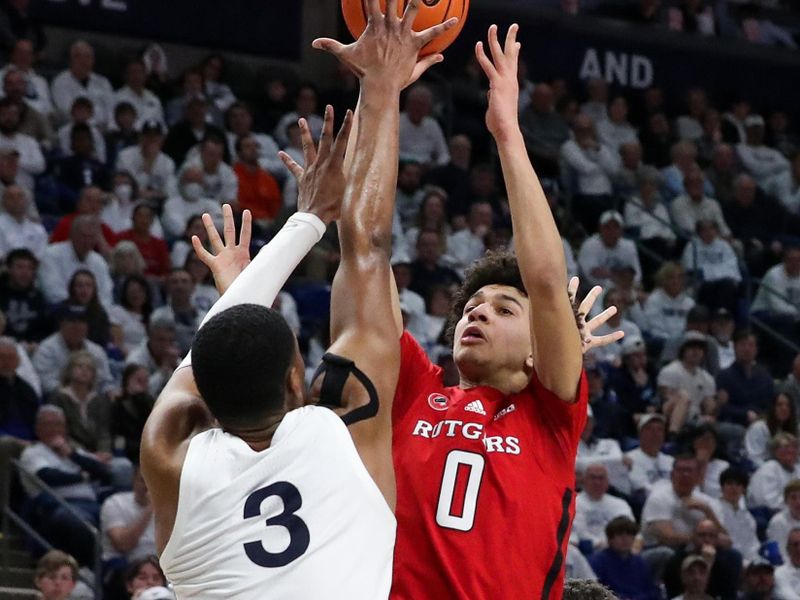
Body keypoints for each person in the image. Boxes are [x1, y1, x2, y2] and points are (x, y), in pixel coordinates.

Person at [140, 17, 437, 589]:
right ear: (296, 382)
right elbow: (369, 248)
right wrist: (381, 87)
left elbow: (203, 358)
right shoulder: (343, 436)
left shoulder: (169, 455)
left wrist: (300, 227)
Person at [19, 405, 111, 564]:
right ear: (38, 428)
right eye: (48, 424)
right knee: (79, 523)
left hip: (92, 504)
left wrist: (72, 454)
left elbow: (104, 472)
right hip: (57, 505)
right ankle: (86, 569)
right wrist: (83, 477)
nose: (54, 429)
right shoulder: (33, 452)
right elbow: (48, 476)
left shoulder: (74, 452)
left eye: (58, 424)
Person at [33, 305, 113, 396]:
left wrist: (110, 392)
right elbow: (46, 382)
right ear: (61, 324)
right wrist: (73, 394)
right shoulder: (47, 349)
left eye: (81, 321)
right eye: (72, 321)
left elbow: (105, 382)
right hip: (59, 399)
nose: (77, 326)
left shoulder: (96, 350)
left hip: (92, 400)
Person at [39, 215, 114, 307]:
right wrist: (79, 309)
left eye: (91, 237)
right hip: (61, 313)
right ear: (72, 235)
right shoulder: (52, 254)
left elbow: (106, 296)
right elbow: (52, 292)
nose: (88, 241)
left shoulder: (99, 261)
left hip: (93, 315)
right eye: (84, 236)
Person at [663, 518, 742, 600]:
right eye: (702, 535)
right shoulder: (677, 561)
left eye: (711, 536)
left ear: (717, 539)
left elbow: (728, 594)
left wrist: (708, 564)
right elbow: (676, 592)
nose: (706, 540)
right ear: (693, 537)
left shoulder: (726, 562)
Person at [657, 331, 717, 434]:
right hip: (670, 415)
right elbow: (665, 399)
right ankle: (673, 436)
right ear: (683, 350)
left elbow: (708, 407)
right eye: (692, 348)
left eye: (699, 348)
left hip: (696, 417)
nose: (696, 352)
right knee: (683, 396)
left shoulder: (707, 378)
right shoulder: (670, 371)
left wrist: (712, 410)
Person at [589, 517, 662, 600]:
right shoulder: (597, 562)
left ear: (634, 538)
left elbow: (652, 591)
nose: (625, 539)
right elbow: (596, 592)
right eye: (620, 535)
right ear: (610, 539)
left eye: (629, 534)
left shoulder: (641, 563)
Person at [571, 463, 634, 552]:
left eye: (601, 478)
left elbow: (630, 529)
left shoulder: (620, 504)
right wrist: (603, 545)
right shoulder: (573, 503)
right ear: (583, 480)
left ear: (608, 481)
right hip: (590, 551)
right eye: (593, 478)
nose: (597, 482)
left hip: (619, 550)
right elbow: (579, 533)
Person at [716, 330, 774, 428]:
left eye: (751, 345)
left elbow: (770, 403)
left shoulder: (765, 376)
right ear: (734, 347)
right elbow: (723, 408)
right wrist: (744, 414)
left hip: (762, 423)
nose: (747, 349)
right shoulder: (724, 376)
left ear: (756, 350)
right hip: (734, 424)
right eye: (742, 345)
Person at [50, 40, 113, 126]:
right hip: (75, 128)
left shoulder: (103, 82)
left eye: (88, 57)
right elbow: (67, 111)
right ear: (71, 59)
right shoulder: (60, 82)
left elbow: (111, 110)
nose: (83, 61)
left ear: (93, 61)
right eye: (78, 56)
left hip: (104, 129)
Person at [115, 120, 178, 205]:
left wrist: (151, 194)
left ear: (162, 139)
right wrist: (147, 165)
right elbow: (124, 185)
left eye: (156, 136)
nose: (152, 139)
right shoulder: (125, 156)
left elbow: (170, 192)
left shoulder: (168, 162)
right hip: (130, 202)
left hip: (156, 205)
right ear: (140, 137)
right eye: (148, 136)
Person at [578, 210, 643, 289]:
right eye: (607, 227)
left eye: (616, 227)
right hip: (592, 290)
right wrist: (618, 278)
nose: (611, 231)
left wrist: (610, 275)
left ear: (621, 230)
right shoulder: (589, 245)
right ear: (600, 228)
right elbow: (590, 275)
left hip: (622, 289)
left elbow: (637, 275)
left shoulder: (629, 246)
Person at [0, 247, 49, 343]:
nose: (25, 272)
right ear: (9, 268)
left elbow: (44, 329)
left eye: (29, 268)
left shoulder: (38, 297)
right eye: (20, 267)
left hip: (32, 348)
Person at [161, 166, 223, 239]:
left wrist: (192, 225)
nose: (194, 185)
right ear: (182, 182)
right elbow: (179, 229)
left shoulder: (212, 204)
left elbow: (222, 225)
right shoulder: (171, 204)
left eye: (197, 181)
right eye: (190, 180)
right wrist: (207, 225)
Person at [399, 84, 449, 167]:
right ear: (408, 104)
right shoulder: (397, 121)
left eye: (423, 105)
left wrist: (437, 164)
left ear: (428, 108)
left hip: (428, 167)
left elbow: (444, 154)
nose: (418, 108)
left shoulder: (433, 125)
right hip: (403, 165)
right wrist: (414, 162)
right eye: (416, 104)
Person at [644, 262, 695, 344]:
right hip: (661, 342)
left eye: (679, 277)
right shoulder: (654, 300)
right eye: (672, 278)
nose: (676, 281)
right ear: (664, 279)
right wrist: (673, 342)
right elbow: (654, 328)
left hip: (685, 343)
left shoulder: (689, 303)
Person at [747, 433, 800, 509]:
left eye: (795, 447)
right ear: (775, 452)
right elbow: (766, 502)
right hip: (767, 515)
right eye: (785, 447)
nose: (791, 450)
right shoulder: (769, 468)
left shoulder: (797, 469)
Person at [745, 393, 799, 467]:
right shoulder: (759, 427)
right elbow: (754, 458)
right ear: (772, 407)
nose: (784, 408)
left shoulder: (795, 430)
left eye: (788, 405)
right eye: (779, 405)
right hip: (764, 470)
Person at [718, 468, 759, 563]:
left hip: (749, 561)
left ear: (743, 489)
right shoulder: (714, 509)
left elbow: (753, 545)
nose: (734, 488)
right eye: (729, 483)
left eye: (738, 484)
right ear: (722, 487)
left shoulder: (748, 518)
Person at [113, 58, 164, 130]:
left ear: (145, 75)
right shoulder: (116, 97)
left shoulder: (154, 99)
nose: (136, 76)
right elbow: (112, 125)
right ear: (126, 75)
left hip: (150, 137)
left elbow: (162, 125)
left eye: (140, 72)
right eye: (133, 72)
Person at [0, 182, 46, 258]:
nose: (16, 200)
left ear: (26, 201)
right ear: (4, 202)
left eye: (19, 196)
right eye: (11, 197)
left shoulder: (38, 229)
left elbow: (41, 255)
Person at [766, 480, 800, 564]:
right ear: (786, 501)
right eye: (793, 498)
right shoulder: (778, 522)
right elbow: (779, 554)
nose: (798, 502)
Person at [774, 528, 800, 600]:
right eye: (795, 545)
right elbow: (787, 597)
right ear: (788, 549)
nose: (799, 549)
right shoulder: (780, 573)